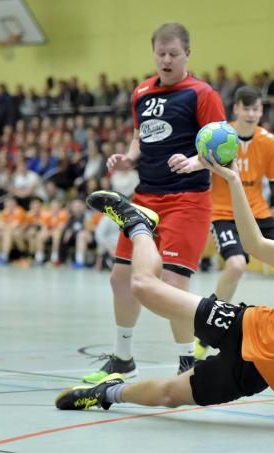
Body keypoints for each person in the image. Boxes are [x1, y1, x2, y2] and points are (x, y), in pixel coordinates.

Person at [55, 170, 274, 440]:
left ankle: (106, 393)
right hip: (242, 322)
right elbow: (254, 243)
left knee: (169, 394)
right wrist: (234, 181)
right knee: (144, 287)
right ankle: (139, 225)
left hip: (251, 374)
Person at [83, 22, 226, 383]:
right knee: (120, 279)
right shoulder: (141, 92)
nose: (165, 60)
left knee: (173, 285)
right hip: (144, 199)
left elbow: (223, 148)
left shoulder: (202, 94)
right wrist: (129, 158)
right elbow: (139, 136)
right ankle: (122, 358)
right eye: (160, 54)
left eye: (173, 54)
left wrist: (196, 161)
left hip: (188, 200)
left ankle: (186, 364)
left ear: (187, 54)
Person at [167, 85, 274, 304]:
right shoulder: (220, 133)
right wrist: (189, 163)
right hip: (224, 214)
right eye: (247, 109)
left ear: (262, 111)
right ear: (236, 109)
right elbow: (203, 157)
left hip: (257, 213)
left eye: (256, 109)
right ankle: (211, 320)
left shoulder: (269, 142)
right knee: (236, 265)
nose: (251, 114)